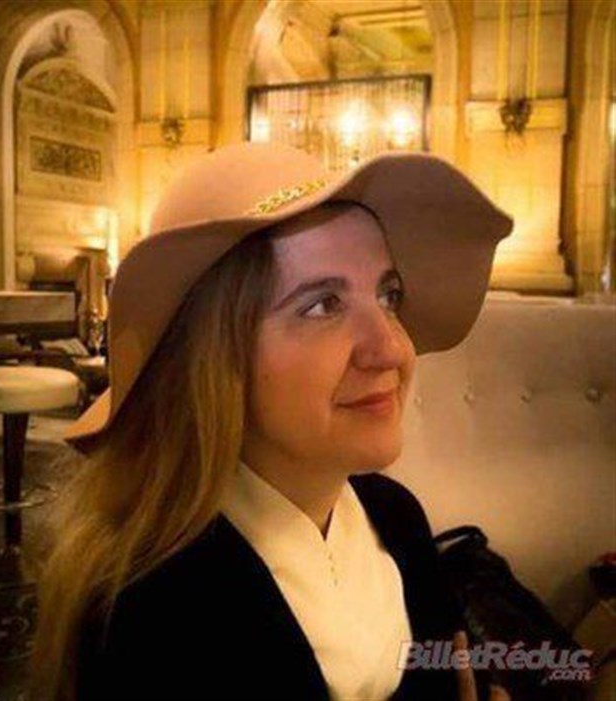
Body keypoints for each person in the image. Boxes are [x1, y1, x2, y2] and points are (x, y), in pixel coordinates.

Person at [31, 143, 513, 701]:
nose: (391, 348)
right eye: (322, 305)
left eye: (389, 295)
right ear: (216, 359)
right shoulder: (153, 608)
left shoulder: (396, 515)